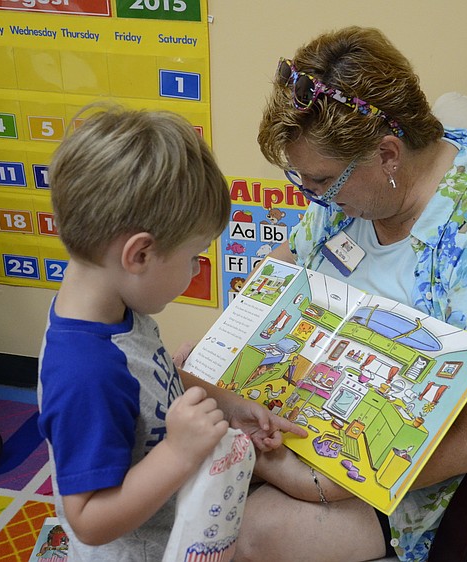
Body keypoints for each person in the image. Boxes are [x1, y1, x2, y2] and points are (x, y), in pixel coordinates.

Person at [234, 27, 467, 561]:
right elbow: (274, 287)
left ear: (388, 153)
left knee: (250, 534)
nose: (312, 198)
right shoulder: (343, 208)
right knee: (176, 457)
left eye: (321, 181)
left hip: (407, 482)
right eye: (302, 182)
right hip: (303, 427)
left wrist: (333, 481)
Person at [36, 106, 304, 561]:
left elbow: (156, 377)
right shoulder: (86, 374)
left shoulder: (116, 307)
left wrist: (230, 405)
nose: (197, 269)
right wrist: (179, 453)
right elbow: (89, 521)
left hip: (176, 523)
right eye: (194, 256)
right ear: (139, 254)